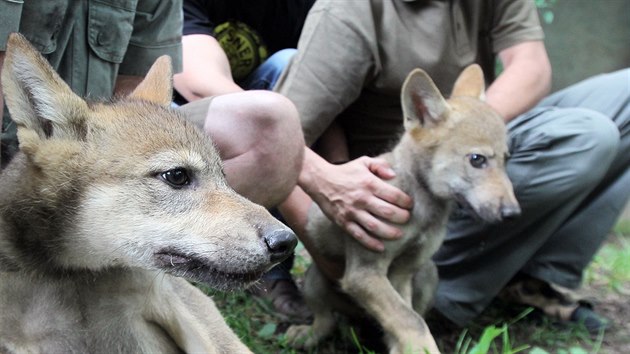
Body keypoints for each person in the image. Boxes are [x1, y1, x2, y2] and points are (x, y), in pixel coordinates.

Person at [274, 0, 629, 333]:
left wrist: (469, 131)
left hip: (473, 156)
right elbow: (278, 139)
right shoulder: (349, 12)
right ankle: (446, 290)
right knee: (590, 135)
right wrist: (334, 259)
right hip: (405, 201)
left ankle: (529, 278)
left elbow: (531, 66)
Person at [0, 1, 304, 241]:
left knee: (267, 125)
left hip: (100, 157)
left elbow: (140, 109)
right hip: (19, 157)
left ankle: (139, 272)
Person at [172, 0, 316, 323]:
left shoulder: (301, 8)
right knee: (269, 120)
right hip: (174, 110)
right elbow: (197, 83)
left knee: (289, 63)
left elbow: (320, 89)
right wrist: (315, 172)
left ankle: (271, 266)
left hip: (252, 103)